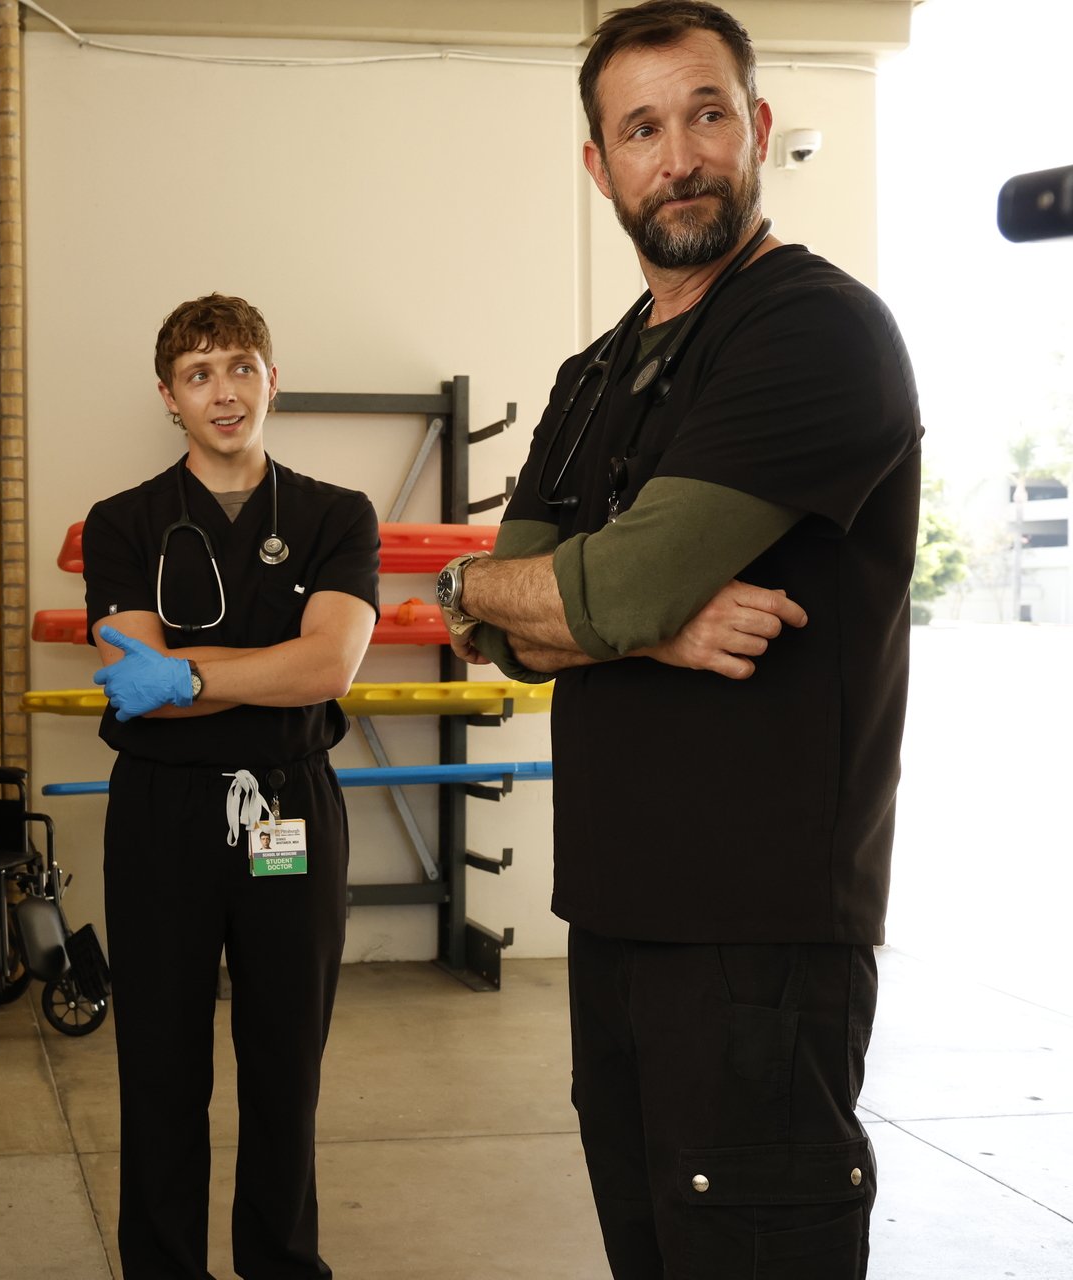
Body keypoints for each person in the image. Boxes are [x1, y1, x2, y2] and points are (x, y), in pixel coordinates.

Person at [436, 3, 920, 1275]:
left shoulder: (815, 331)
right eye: (641, 128)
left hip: (761, 940)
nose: (681, 154)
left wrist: (569, 597)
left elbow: (598, 584)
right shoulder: (596, 373)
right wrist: (626, 623)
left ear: (756, 128)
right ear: (601, 165)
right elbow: (503, 616)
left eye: (707, 114)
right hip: (615, 915)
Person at [81, 294, 379, 1280]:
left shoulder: (338, 514)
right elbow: (135, 683)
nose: (225, 389)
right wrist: (247, 669)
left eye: (242, 365)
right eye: (200, 372)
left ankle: (283, 1262)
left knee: (285, 1062)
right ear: (169, 395)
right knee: (161, 1064)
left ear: (272, 379)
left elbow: (328, 667)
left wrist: (191, 675)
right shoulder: (124, 524)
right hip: (163, 813)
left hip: (289, 804)